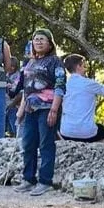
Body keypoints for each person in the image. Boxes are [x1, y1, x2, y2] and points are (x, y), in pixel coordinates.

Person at [15, 29, 66, 194]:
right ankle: (28, 178)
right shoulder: (29, 63)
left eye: (42, 39)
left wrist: (54, 109)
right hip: (30, 108)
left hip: (47, 108)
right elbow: (26, 89)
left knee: (46, 143)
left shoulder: (55, 62)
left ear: (50, 44)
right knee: (28, 143)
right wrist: (21, 111)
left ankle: (45, 181)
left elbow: (60, 86)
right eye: (36, 39)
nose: (38, 42)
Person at [59, 53, 104, 142]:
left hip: (65, 132)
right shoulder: (89, 83)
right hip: (86, 133)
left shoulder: (64, 85)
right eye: (84, 66)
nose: (86, 69)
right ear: (78, 66)